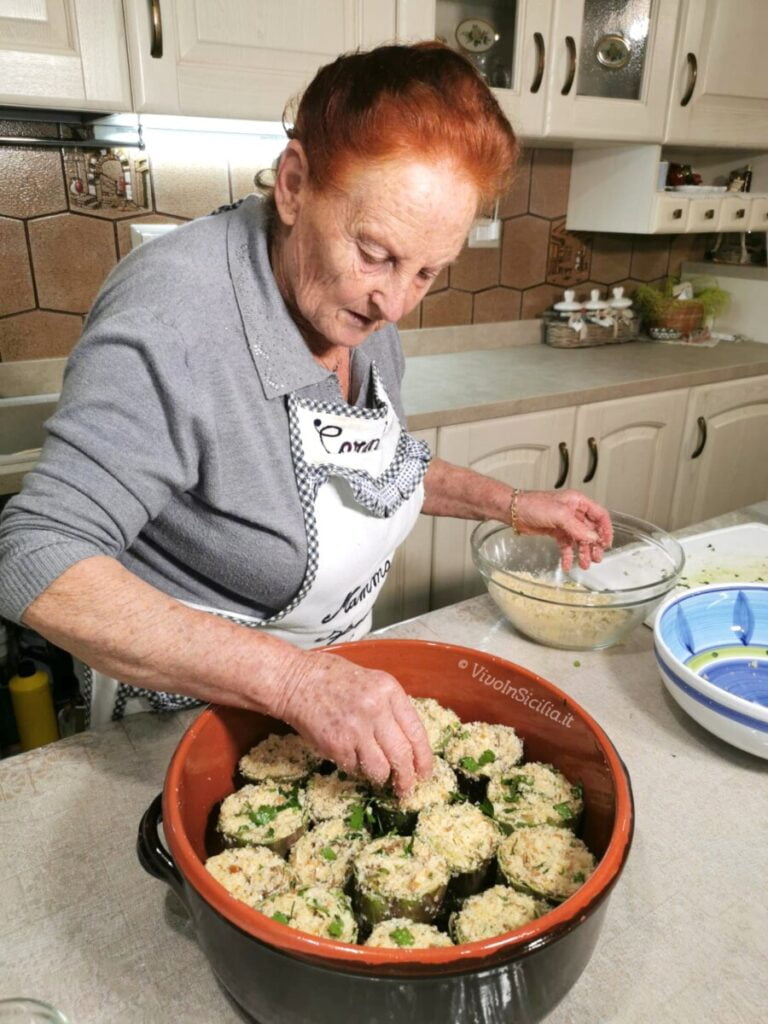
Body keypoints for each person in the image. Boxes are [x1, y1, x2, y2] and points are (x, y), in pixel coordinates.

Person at [0, 43, 611, 795]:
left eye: (427, 271)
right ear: (294, 186)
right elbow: (37, 554)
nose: (395, 303)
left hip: (332, 695)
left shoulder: (356, 304)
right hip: (173, 726)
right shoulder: (176, 317)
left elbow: (374, 465)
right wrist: (296, 685)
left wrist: (514, 505)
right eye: (376, 253)